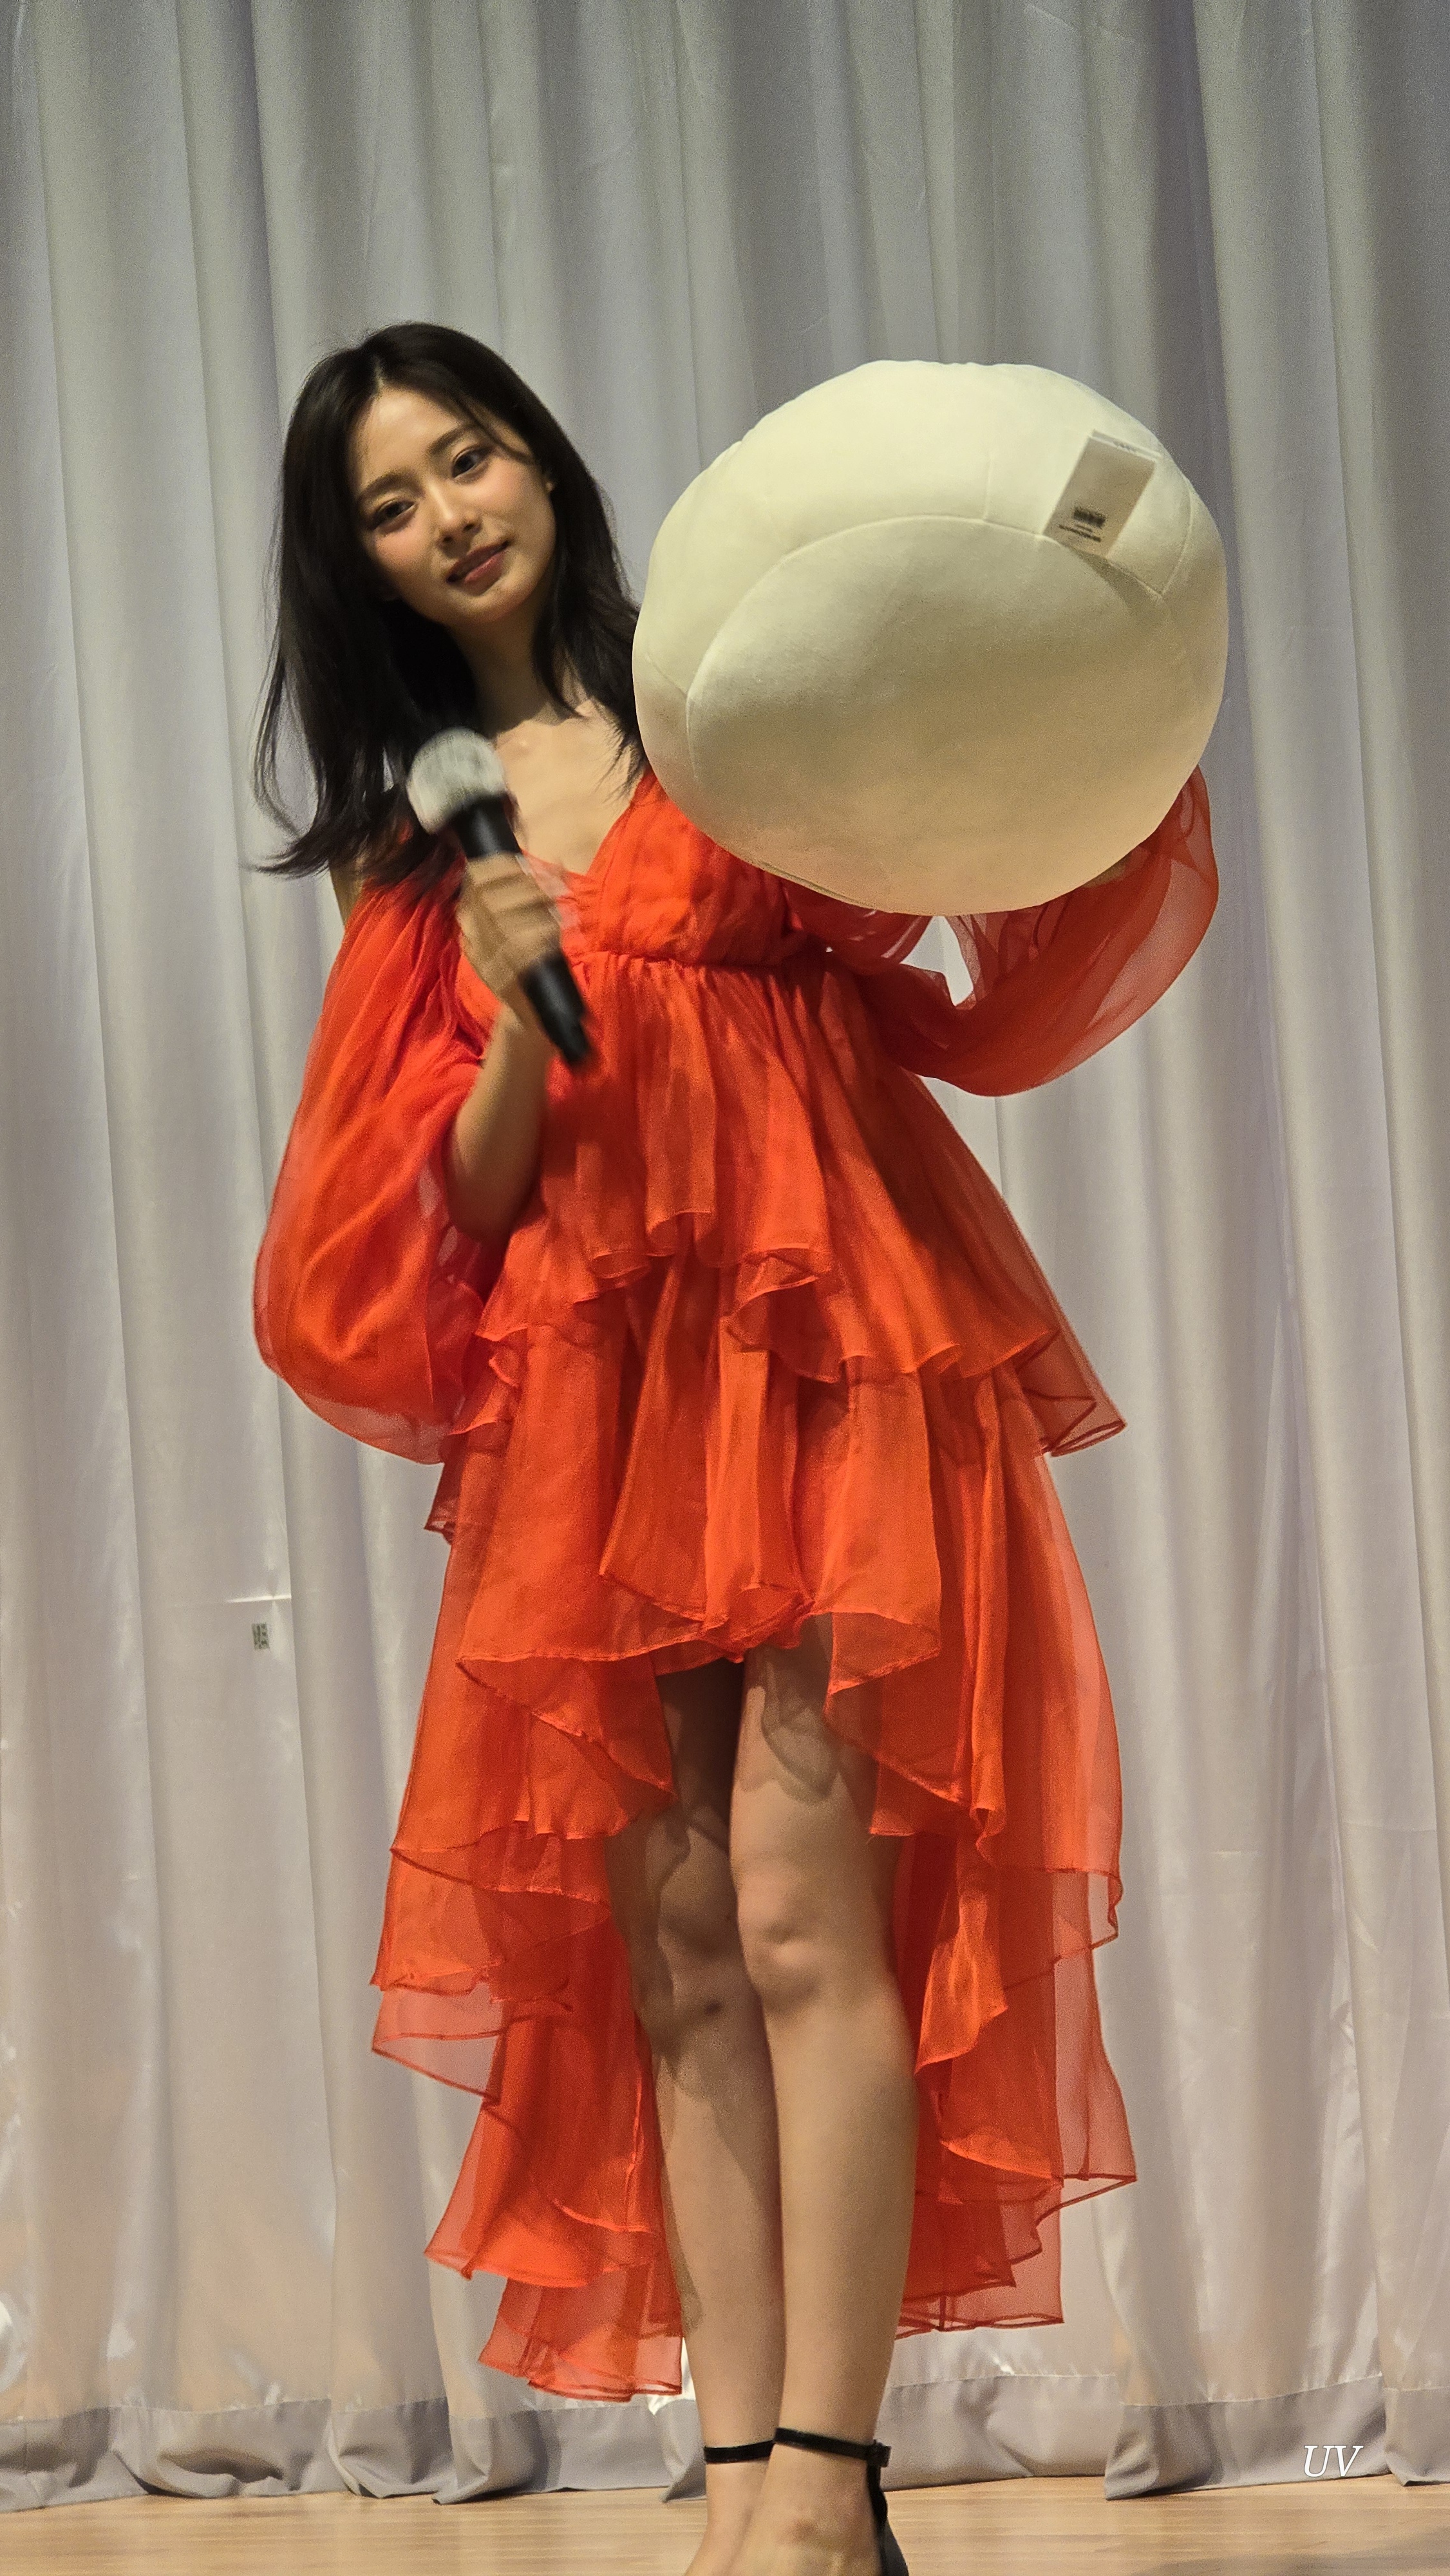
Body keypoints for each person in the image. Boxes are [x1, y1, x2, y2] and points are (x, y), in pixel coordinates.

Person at [253, 323, 1218, 2576]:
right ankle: (740, 2495)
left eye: (467, 458)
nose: (447, 515)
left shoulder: (723, 710)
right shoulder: (417, 849)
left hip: (822, 1351)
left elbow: (973, 842)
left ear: (542, 461)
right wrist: (515, 1010)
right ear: (356, 566)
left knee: (801, 1917)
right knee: (682, 1952)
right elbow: (454, 1207)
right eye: (389, 503)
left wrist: (1073, 655)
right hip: (597, 1414)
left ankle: (827, 2487)